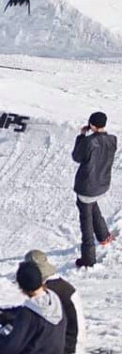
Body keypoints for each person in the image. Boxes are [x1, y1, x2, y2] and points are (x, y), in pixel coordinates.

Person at [0, 250, 85, 353]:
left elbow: (32, 317)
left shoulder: (49, 292)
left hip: (67, 347)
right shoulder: (60, 288)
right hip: (74, 343)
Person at [71, 111, 117, 268]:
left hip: (87, 187)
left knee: (86, 221)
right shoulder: (113, 140)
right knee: (92, 205)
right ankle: (104, 236)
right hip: (102, 184)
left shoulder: (89, 142)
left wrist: (81, 136)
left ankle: (88, 258)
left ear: (91, 125)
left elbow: (76, 157)